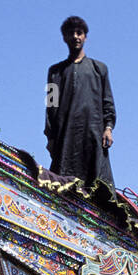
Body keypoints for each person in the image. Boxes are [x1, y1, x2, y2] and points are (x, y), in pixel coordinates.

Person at [45, 15, 116, 186]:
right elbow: (50, 106)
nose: (75, 36)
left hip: (93, 134)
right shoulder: (54, 72)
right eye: (71, 33)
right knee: (61, 181)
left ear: (85, 36)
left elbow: (108, 101)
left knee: (97, 182)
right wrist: (50, 138)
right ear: (64, 38)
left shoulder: (99, 69)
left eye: (79, 32)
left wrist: (108, 128)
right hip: (65, 137)